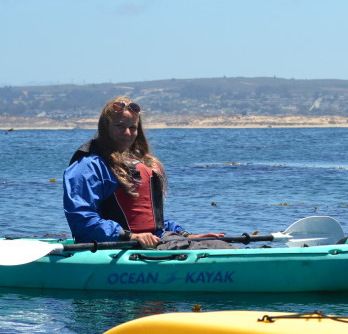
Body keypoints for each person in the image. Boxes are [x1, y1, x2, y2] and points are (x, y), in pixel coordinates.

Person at [63, 96, 230, 249]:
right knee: (204, 250)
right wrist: (129, 235)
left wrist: (186, 235)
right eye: (120, 126)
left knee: (220, 245)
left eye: (132, 127)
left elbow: (148, 220)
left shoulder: (136, 163)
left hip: (154, 239)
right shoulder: (87, 166)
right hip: (116, 245)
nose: (128, 133)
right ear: (106, 127)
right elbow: (82, 219)